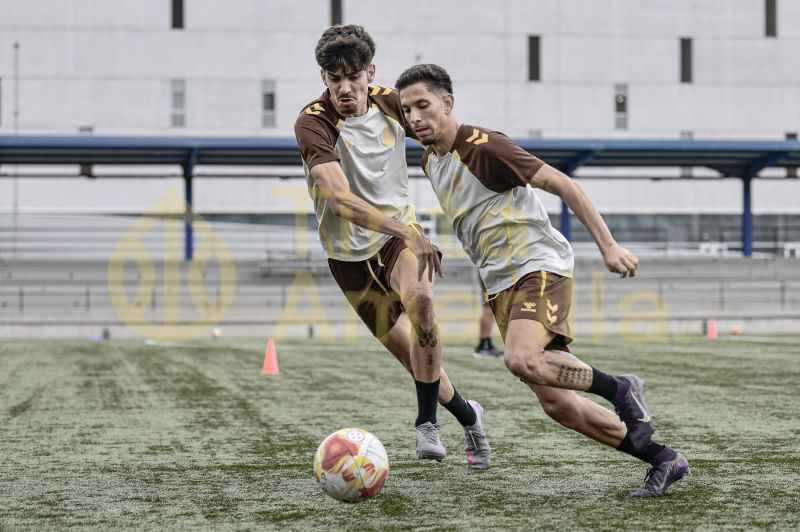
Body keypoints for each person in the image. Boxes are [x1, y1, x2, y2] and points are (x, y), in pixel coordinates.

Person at [396, 63, 690, 497]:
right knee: (558, 404)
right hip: (501, 285)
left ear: (448, 103)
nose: (414, 117)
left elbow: (563, 184)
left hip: (538, 266)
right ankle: (663, 459)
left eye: (423, 105)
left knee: (520, 359)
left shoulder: (486, 147)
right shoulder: (430, 162)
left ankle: (621, 388)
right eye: (406, 110)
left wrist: (609, 246)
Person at [293, 26, 490, 469]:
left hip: (398, 237)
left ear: (371, 72)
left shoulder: (393, 103)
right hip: (348, 259)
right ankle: (468, 416)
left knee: (422, 300)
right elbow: (339, 201)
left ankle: (426, 424)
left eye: (353, 76)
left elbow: (444, 133)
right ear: (323, 77)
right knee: (410, 356)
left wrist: (481, 170)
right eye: (334, 78)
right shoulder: (312, 122)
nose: (345, 88)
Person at [474, 278, 503, 358]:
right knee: (488, 306)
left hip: (488, 273)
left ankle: (485, 344)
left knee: (489, 306)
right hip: (490, 273)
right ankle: (484, 345)